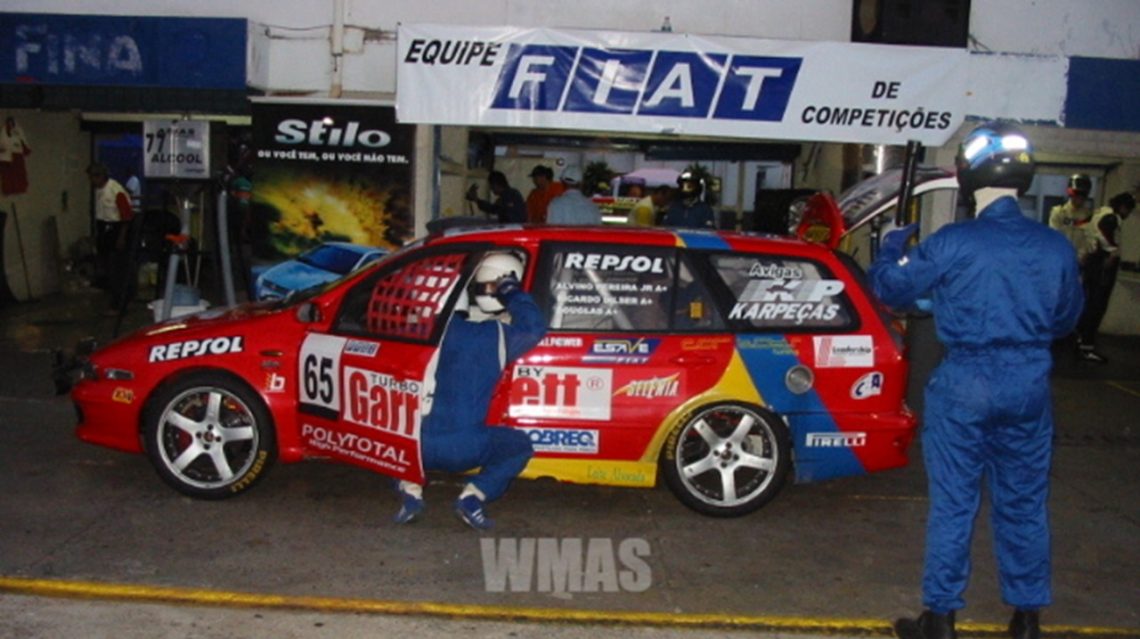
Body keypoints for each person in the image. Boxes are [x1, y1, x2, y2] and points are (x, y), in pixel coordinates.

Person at [870, 122, 1083, 639]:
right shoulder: (1055, 246)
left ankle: (941, 619)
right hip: (1028, 384)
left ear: (969, 175)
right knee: (1025, 504)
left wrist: (890, 248)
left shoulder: (954, 241)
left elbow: (891, 289)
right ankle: (1026, 619)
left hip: (966, 382)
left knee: (954, 504)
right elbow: (1065, 319)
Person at [394, 251, 546, 530]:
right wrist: (511, 292)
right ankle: (473, 497)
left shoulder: (404, 337)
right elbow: (533, 327)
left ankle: (410, 492)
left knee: (390, 434)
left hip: (413, 445)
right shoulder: (488, 335)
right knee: (518, 446)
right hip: (464, 447)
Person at [1074, 191, 1136, 363]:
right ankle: (1087, 347)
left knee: (1089, 303)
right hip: (1102, 263)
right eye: (1128, 210)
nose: (1127, 214)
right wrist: (1112, 250)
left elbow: (1082, 225)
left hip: (1092, 260)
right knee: (1098, 305)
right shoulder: (1111, 217)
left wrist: (1086, 251)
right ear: (1123, 207)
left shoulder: (1098, 211)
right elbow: (1103, 232)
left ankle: (1080, 339)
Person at [86, 163, 136, 312]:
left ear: (101, 176)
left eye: (94, 177)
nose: (92, 181)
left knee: (118, 269)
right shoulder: (98, 191)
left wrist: (121, 238)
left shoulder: (116, 191)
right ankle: (114, 299)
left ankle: (120, 303)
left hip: (117, 229)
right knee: (107, 268)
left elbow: (126, 216)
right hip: (104, 229)